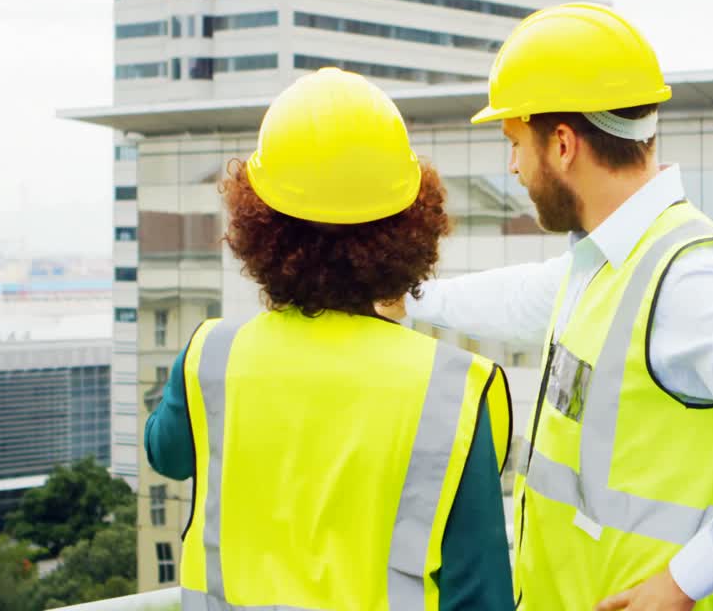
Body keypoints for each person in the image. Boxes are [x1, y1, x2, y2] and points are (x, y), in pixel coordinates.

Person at [381, 3, 713, 611]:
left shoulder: (692, 275)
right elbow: (527, 296)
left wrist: (680, 585)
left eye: (514, 143)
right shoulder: (609, 263)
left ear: (561, 144)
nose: (513, 167)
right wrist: (411, 299)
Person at [145, 67, 514, 611]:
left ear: (259, 224)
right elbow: (481, 592)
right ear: (411, 226)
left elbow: (165, 452)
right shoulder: (451, 388)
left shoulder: (211, 357)